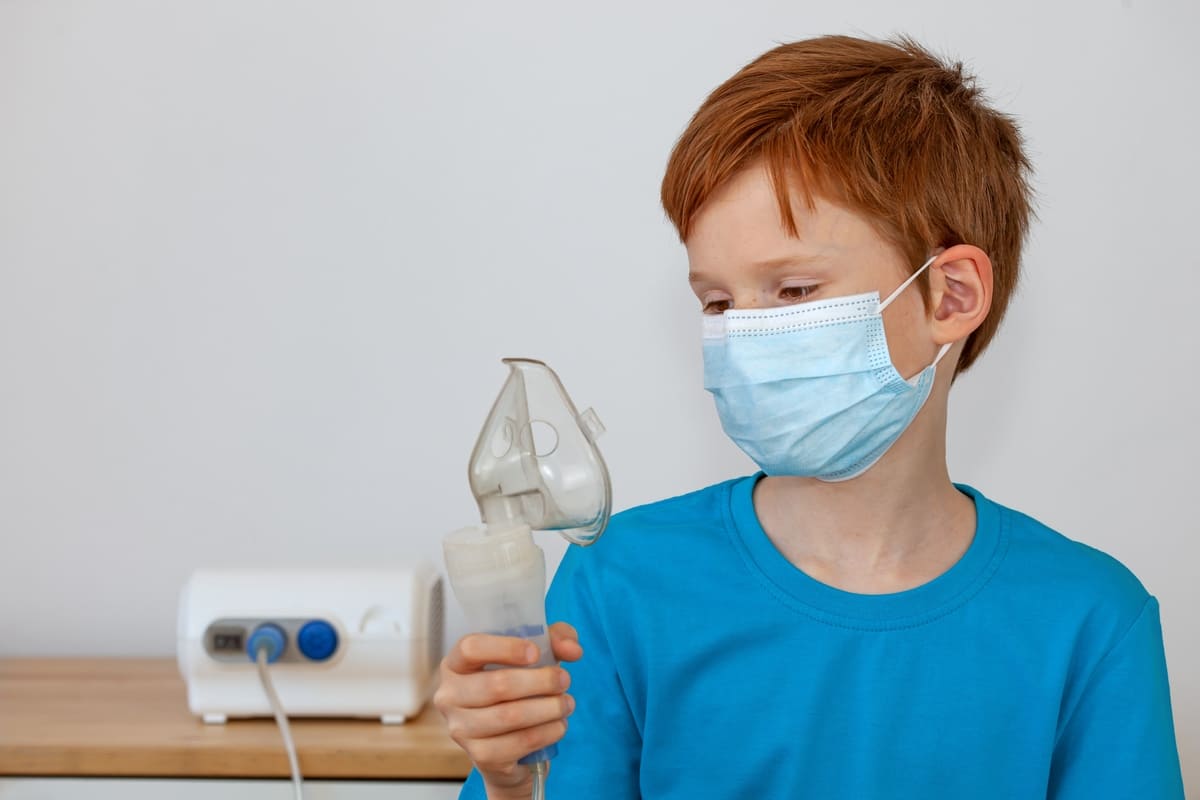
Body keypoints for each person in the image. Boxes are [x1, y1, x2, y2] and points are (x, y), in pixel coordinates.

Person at [433, 34, 1186, 799]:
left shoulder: (1087, 621)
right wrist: (509, 782)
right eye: (718, 302)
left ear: (951, 296)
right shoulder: (618, 582)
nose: (744, 337)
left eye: (793, 291)